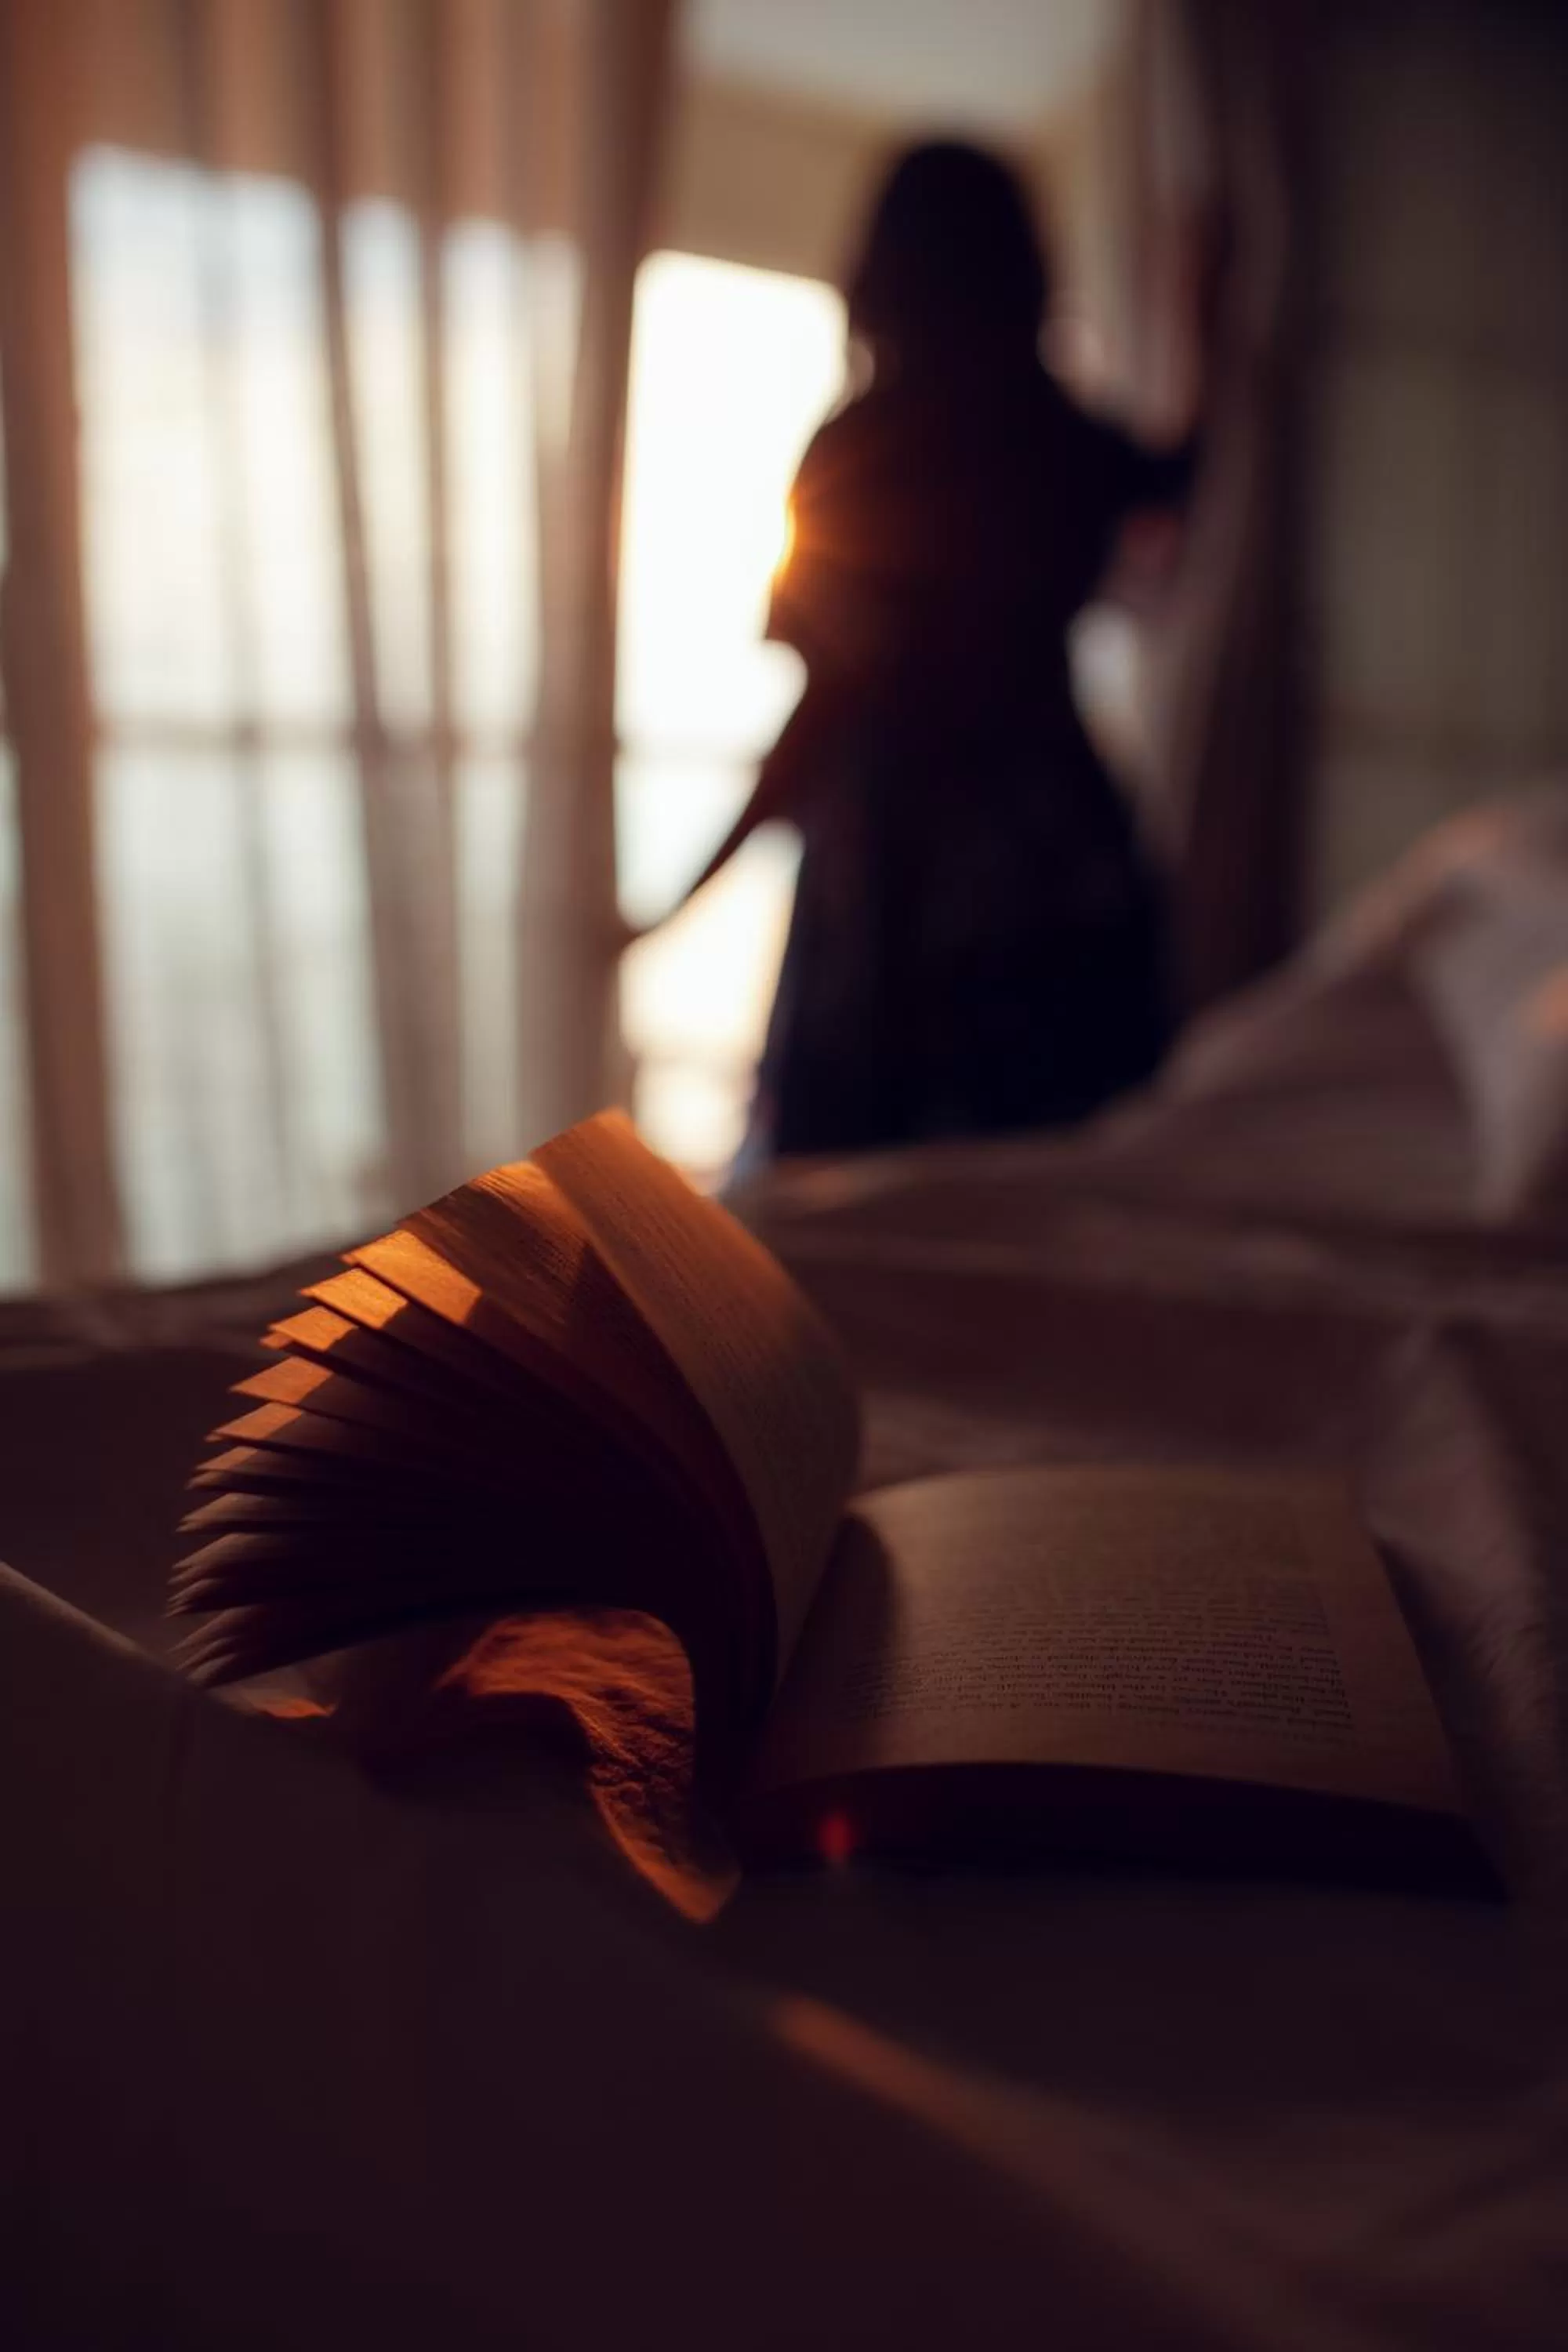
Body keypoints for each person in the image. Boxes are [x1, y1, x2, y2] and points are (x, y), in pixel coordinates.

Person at [652, 139, 1197, 1160]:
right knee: (1052, 1191)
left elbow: (818, 720)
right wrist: (1205, 311)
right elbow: (1182, 480)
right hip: (1056, 866)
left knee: (852, 1223)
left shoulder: (858, 448)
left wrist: (679, 900)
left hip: (890, 895)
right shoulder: (1057, 438)